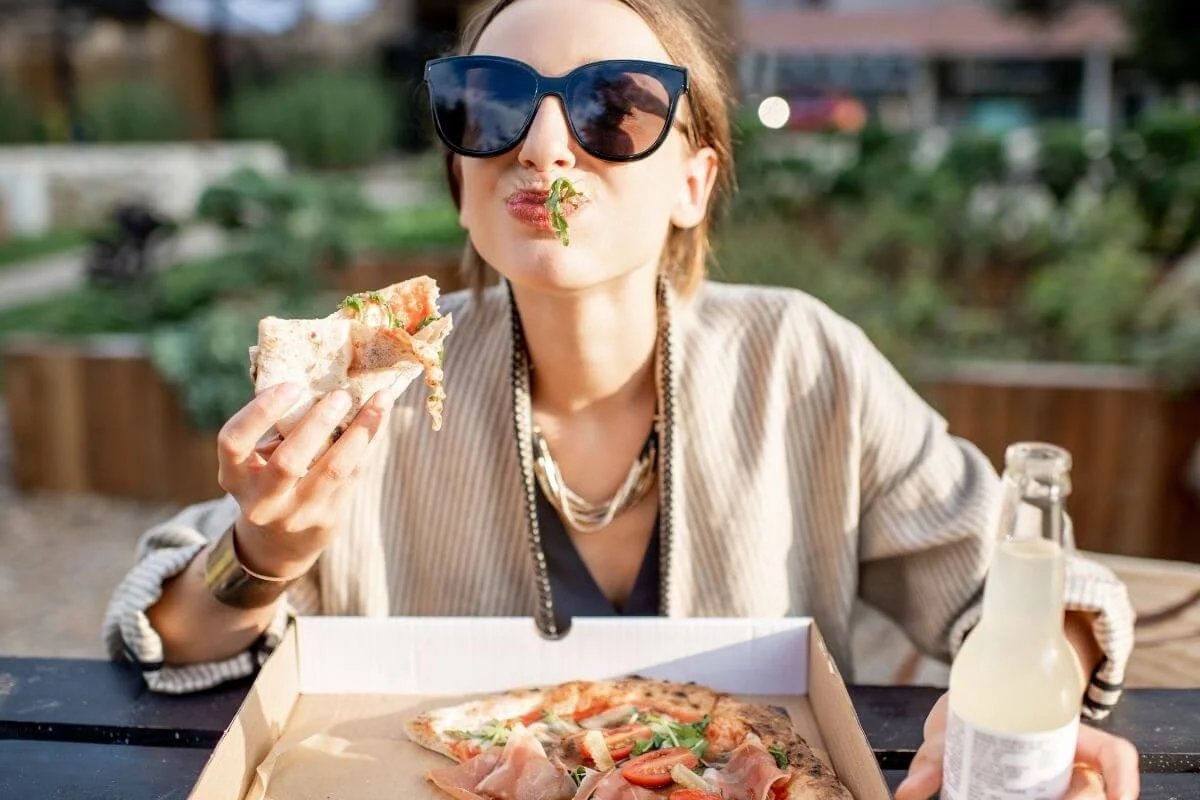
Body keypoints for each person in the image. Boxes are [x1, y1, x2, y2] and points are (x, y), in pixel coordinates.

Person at [103, 0, 1140, 796]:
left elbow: (1026, 585)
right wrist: (266, 553)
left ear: (694, 178)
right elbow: (172, 635)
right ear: (460, 176)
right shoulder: (375, 380)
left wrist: (1002, 703)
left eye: (614, 106)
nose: (545, 149)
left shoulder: (801, 362)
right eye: (490, 102)